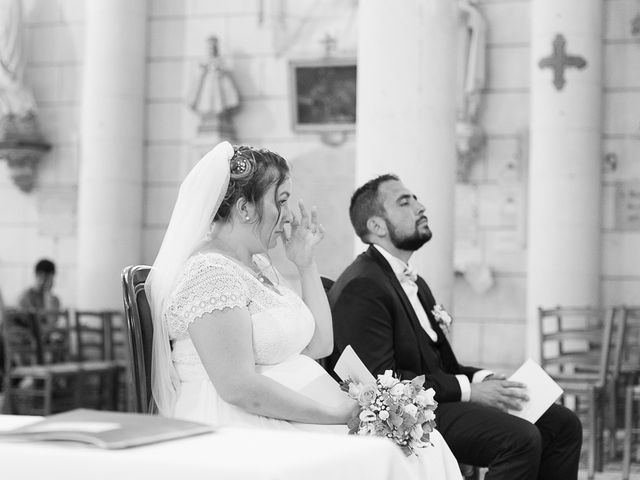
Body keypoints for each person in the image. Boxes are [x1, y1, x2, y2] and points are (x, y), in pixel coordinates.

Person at [146, 142, 463, 479]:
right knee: (385, 461)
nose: (288, 215)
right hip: (240, 421)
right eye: (281, 201)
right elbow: (237, 387)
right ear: (245, 209)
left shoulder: (258, 266)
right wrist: (336, 414)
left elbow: (320, 346)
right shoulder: (210, 273)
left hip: (288, 409)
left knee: (425, 450)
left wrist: (305, 263)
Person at [327, 174, 583, 480]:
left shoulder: (414, 281)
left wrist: (487, 379)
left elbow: (441, 364)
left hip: (436, 400)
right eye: (404, 202)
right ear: (377, 226)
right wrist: (469, 391)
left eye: (416, 198)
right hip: (407, 415)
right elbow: (383, 382)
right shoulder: (363, 285)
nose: (421, 207)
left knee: (563, 425)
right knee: (519, 439)